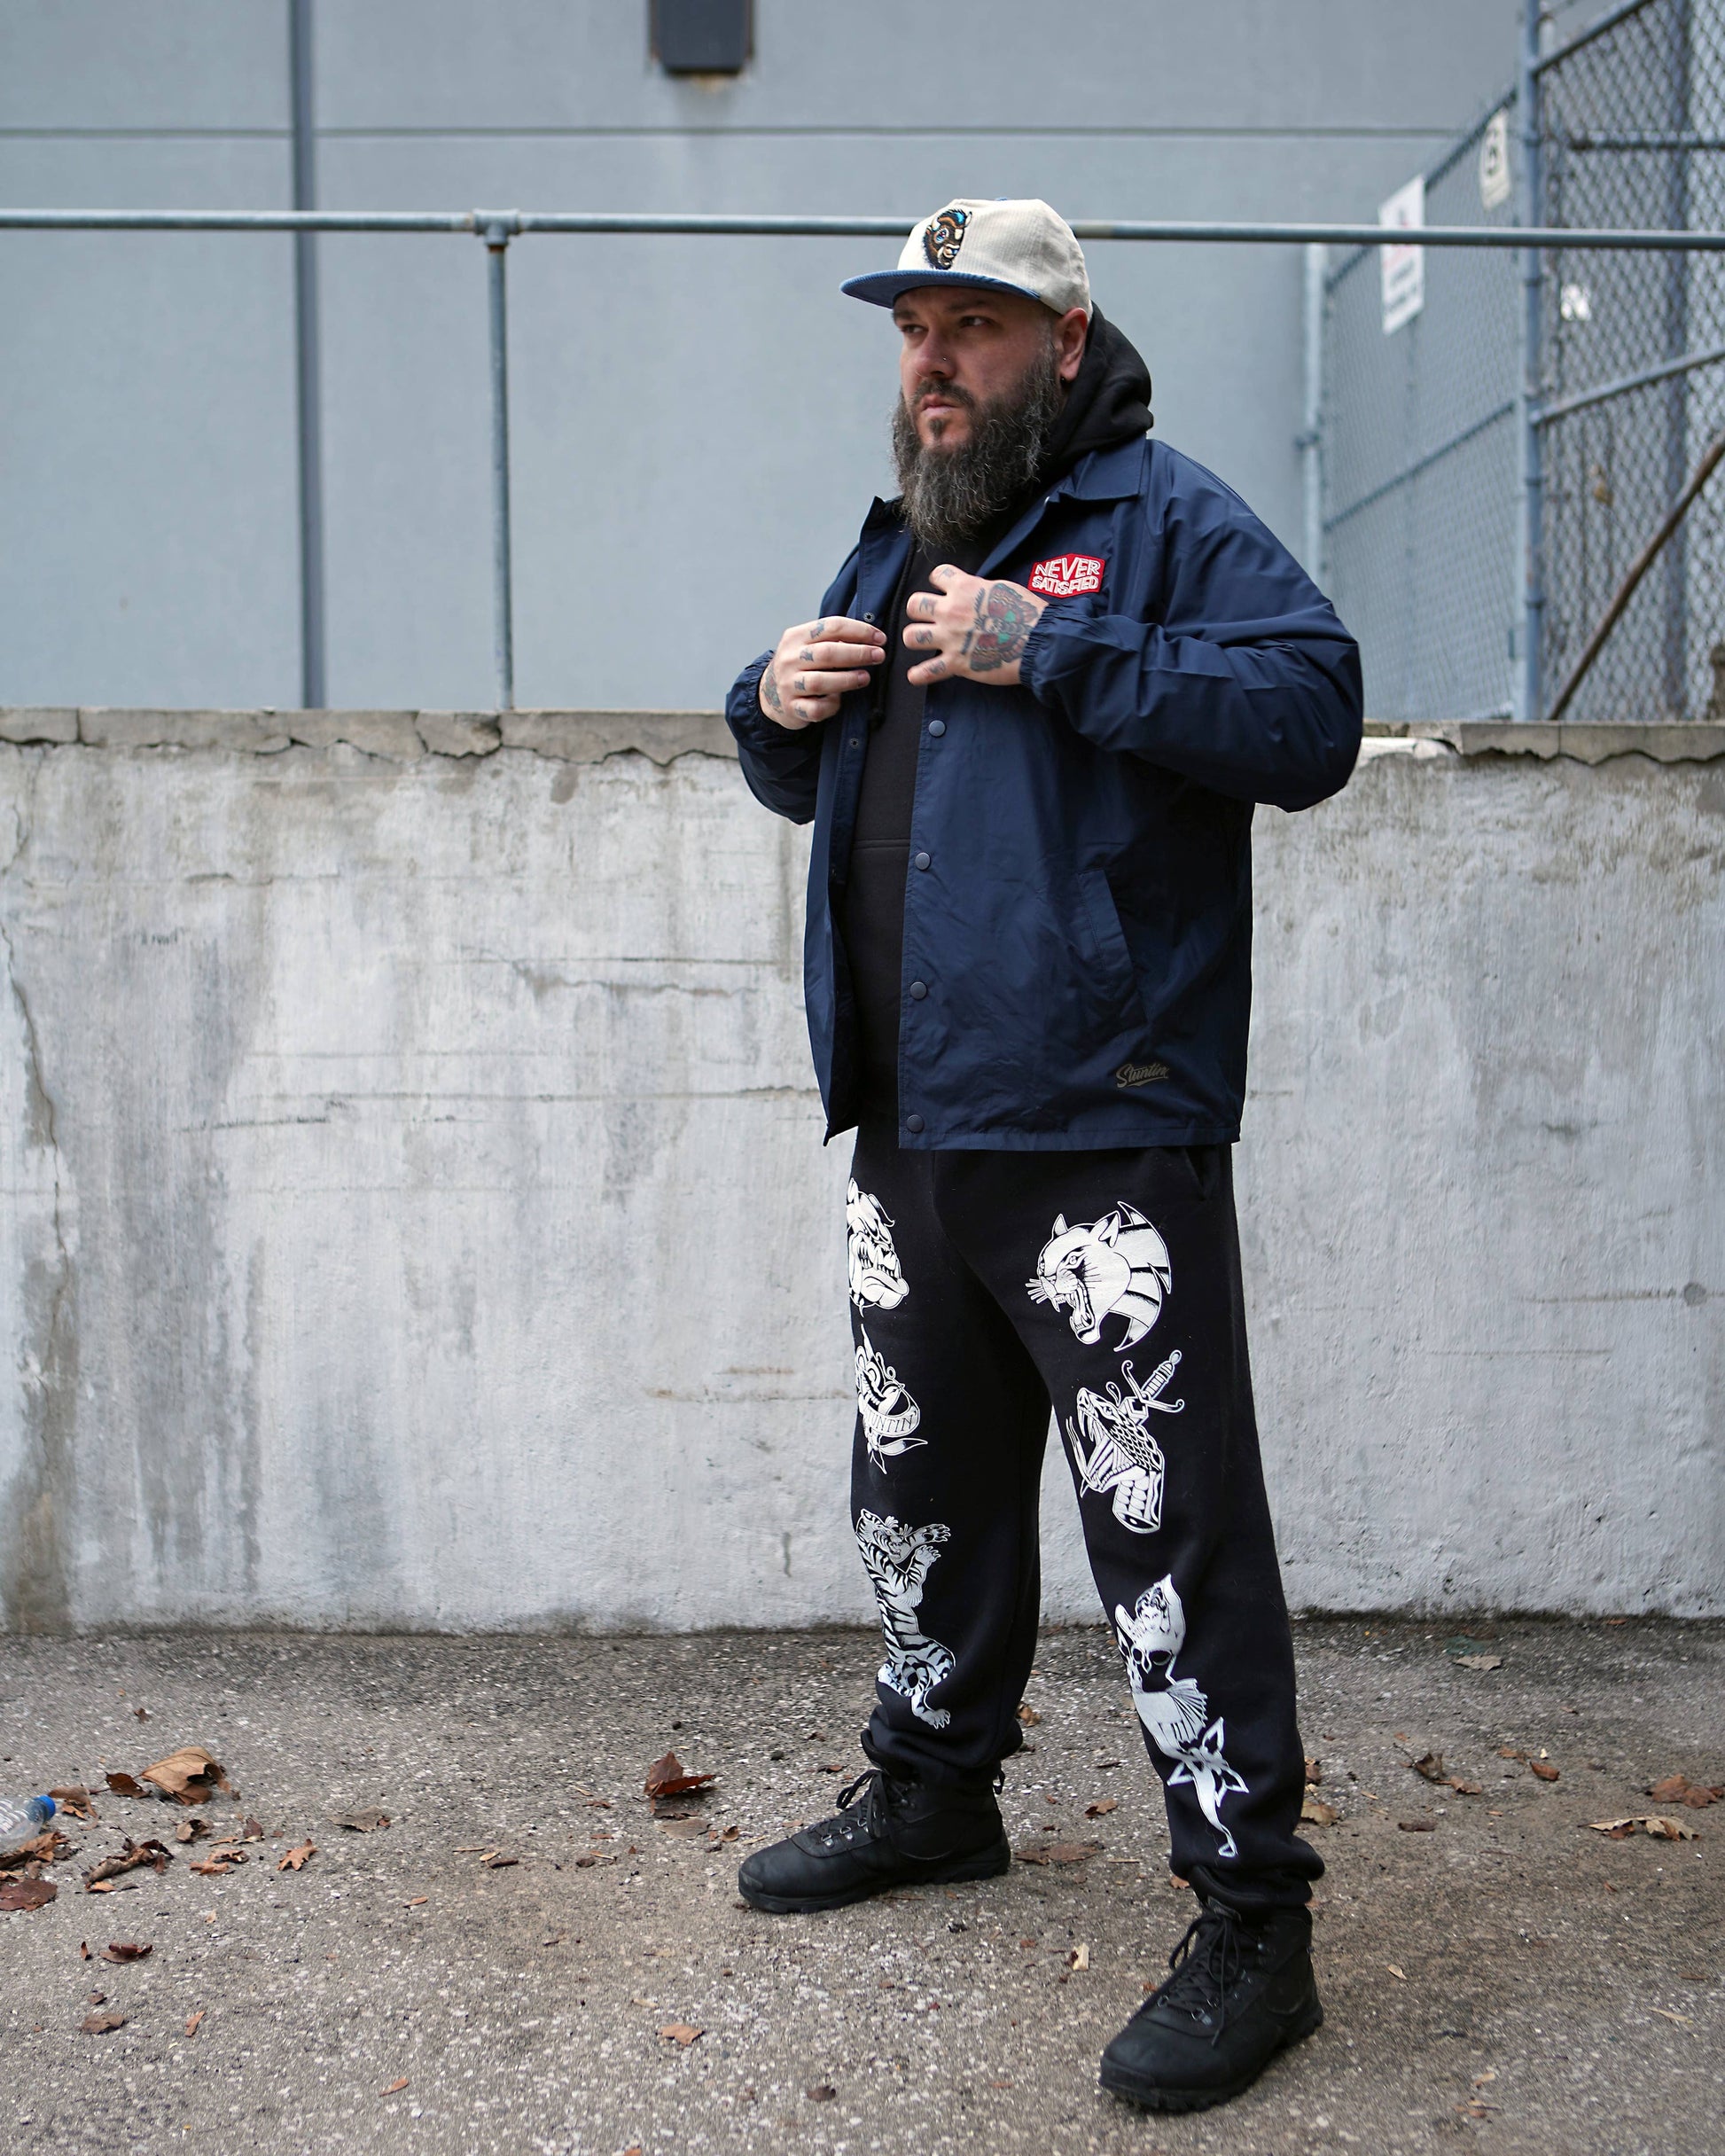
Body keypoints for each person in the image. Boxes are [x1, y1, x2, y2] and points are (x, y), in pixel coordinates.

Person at [722, 197, 1362, 2114]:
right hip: (911, 1119)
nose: (931, 363)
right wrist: (768, 709)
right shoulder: (898, 531)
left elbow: (1310, 713)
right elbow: (837, 774)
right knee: (915, 1482)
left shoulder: (1163, 521)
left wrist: (1057, 649)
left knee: (1167, 1517)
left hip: (1097, 1118)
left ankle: (1251, 1919)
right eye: (912, 329)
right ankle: (935, 1792)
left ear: (1063, 344)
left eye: (972, 328)